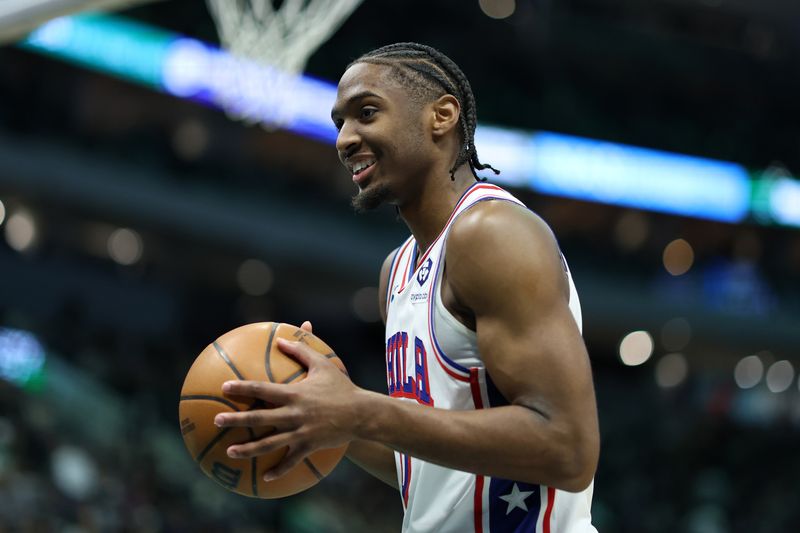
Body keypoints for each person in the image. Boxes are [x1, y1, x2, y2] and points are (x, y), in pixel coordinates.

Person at [214, 42, 600, 532]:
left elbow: (568, 449)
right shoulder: (395, 271)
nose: (345, 139)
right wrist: (330, 420)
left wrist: (361, 410)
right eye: (340, 124)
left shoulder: (493, 233)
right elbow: (428, 468)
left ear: (441, 116)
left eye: (366, 113)